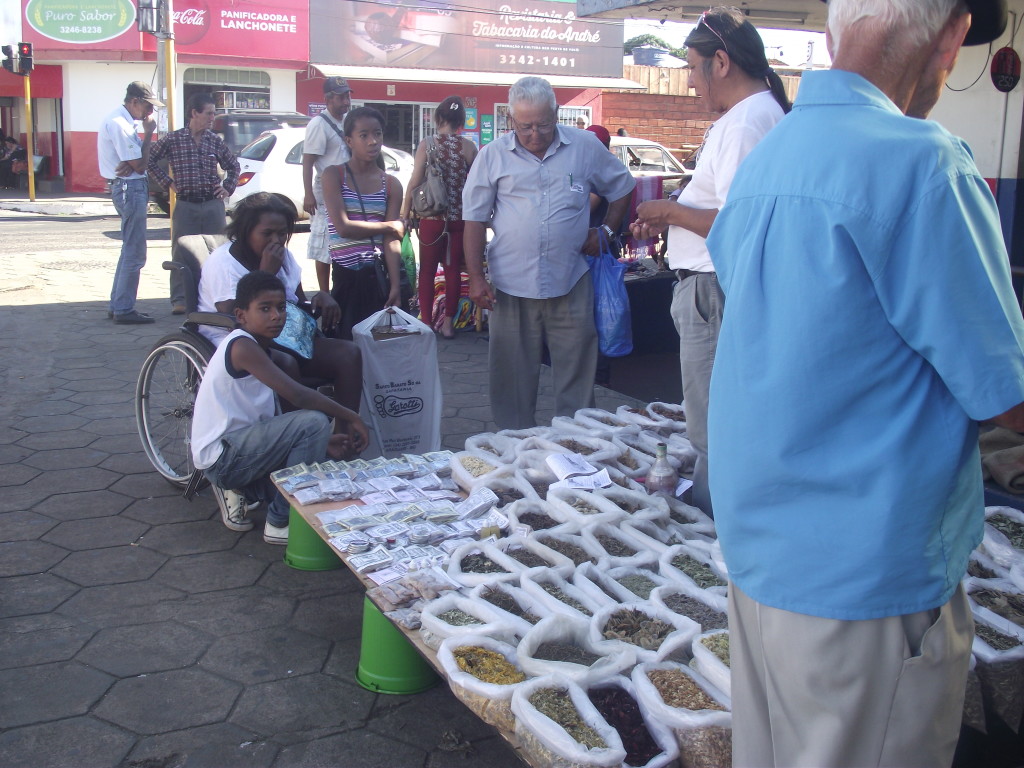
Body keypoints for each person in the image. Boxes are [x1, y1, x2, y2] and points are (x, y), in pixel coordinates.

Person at [704, 1, 1024, 766]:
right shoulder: (925, 164)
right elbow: (1008, 394)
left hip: (761, 559)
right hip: (866, 585)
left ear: (832, 34)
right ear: (951, 36)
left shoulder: (771, 158)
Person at [630, 8, 790, 517]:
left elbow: (740, 223)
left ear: (720, 63)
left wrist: (669, 211)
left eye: (692, 69)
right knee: (720, 422)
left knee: (713, 427)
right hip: (713, 287)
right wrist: (674, 216)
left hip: (712, 290)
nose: (691, 83)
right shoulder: (756, 115)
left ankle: (718, 533)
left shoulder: (746, 122)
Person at [462, 76, 635, 429]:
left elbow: (622, 186)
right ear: (511, 119)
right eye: (525, 126)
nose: (535, 134)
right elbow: (474, 220)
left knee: (577, 380)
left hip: (570, 279)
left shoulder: (585, 146)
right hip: (510, 286)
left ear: (556, 114)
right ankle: (513, 447)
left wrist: (606, 229)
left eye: (543, 124)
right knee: (511, 381)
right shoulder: (492, 156)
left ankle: (578, 446)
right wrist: (476, 278)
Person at [192, 270, 369, 544]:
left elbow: (272, 419)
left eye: (281, 307)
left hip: (245, 449)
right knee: (313, 421)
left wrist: (322, 443)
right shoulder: (242, 347)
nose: (276, 316)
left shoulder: (262, 347)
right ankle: (278, 521)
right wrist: (351, 416)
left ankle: (253, 493)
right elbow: (298, 396)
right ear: (241, 315)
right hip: (223, 460)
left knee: (328, 472)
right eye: (265, 309)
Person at [196, 192, 362, 432]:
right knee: (285, 362)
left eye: (282, 234)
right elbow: (239, 320)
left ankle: (345, 435)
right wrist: (266, 273)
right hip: (237, 342)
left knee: (349, 353)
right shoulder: (223, 263)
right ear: (246, 232)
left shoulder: (284, 257)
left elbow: (297, 302)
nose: (276, 241)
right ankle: (299, 436)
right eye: (267, 234)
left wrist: (320, 298)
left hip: (283, 336)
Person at [148, 92, 241, 315]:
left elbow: (233, 166)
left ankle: (216, 297)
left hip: (212, 204)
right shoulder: (174, 139)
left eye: (213, 113)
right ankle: (180, 299)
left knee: (218, 251)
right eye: (208, 113)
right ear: (194, 113)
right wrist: (167, 183)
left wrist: (227, 187)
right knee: (182, 251)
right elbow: (150, 160)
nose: (212, 118)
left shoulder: (214, 140)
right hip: (186, 204)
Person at [321, 106, 405, 340]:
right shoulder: (334, 175)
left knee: (378, 345)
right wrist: (390, 226)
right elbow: (343, 227)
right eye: (364, 135)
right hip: (345, 275)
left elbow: (391, 241)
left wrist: (395, 285)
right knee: (346, 344)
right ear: (349, 140)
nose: (373, 141)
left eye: (377, 134)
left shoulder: (391, 184)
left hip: (377, 276)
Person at [400, 95, 477, 339]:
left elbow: (414, 181)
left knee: (427, 271)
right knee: (452, 270)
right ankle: (448, 324)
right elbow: (477, 185)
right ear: (460, 120)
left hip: (431, 219)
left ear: (439, 117)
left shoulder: (427, 144)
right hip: (459, 219)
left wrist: (404, 213)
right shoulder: (468, 147)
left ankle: (426, 322)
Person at [97, 81, 162, 325]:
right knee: (134, 251)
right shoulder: (120, 124)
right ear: (134, 101)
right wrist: (148, 134)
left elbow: (136, 163)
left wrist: (136, 160)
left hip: (127, 185)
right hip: (129, 187)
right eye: (147, 106)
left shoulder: (123, 122)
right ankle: (123, 308)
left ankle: (118, 305)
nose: (149, 112)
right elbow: (140, 165)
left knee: (129, 249)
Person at [303, 76, 353, 333]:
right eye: (341, 97)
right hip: (325, 187)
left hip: (347, 186)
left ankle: (340, 290)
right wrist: (307, 194)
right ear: (328, 99)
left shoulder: (347, 121)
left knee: (342, 240)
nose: (346, 101)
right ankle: (324, 295)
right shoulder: (318, 124)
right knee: (324, 240)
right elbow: (308, 161)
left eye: (348, 96)